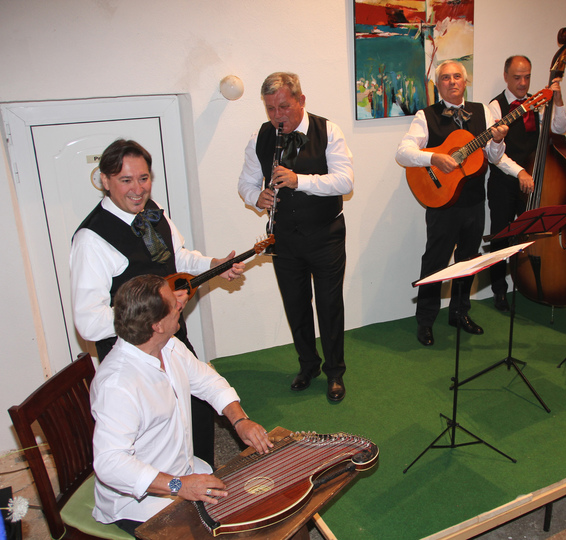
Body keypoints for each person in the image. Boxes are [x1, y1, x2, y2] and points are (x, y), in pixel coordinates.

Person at [70, 138, 245, 466]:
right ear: (105, 181)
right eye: (126, 180)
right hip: (132, 357)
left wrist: (213, 265)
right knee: (157, 438)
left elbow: (178, 258)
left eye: (143, 178)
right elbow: (88, 323)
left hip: (172, 339)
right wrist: (155, 307)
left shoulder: (152, 211)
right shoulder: (91, 240)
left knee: (196, 415)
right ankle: (169, 488)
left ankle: (200, 478)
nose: (138, 189)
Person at [90, 274, 272, 534]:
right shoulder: (118, 385)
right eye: (171, 302)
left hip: (186, 471)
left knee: (259, 512)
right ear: (156, 325)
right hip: (140, 504)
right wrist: (179, 485)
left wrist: (239, 420)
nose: (180, 303)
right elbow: (110, 463)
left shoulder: (167, 346)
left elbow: (208, 381)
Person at [238, 72, 353, 402]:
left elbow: (345, 181)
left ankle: (335, 372)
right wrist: (255, 196)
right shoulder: (260, 137)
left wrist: (299, 180)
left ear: (301, 100)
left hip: (326, 234)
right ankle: (308, 365)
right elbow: (245, 183)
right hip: (283, 238)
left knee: (329, 305)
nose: (277, 116)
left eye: (284, 107)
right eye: (270, 109)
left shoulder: (328, 130)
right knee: (296, 304)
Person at [396, 60, 516, 347]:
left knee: (468, 260)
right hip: (441, 203)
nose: (452, 82)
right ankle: (425, 321)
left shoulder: (482, 111)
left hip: (474, 201)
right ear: (439, 85)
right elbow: (403, 152)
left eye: (457, 77)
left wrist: (497, 140)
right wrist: (434, 158)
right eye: (446, 78)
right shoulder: (426, 116)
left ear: (465, 82)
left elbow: (494, 156)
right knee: (435, 262)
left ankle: (460, 313)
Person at [486, 55, 566, 311]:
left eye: (527, 77)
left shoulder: (537, 102)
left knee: (532, 235)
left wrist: (557, 100)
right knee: (501, 238)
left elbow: (559, 128)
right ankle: (499, 291)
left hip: (533, 181)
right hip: (504, 182)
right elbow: (494, 154)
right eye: (517, 77)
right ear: (505, 77)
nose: (523, 83)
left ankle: (531, 284)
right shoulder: (495, 106)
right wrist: (520, 172)